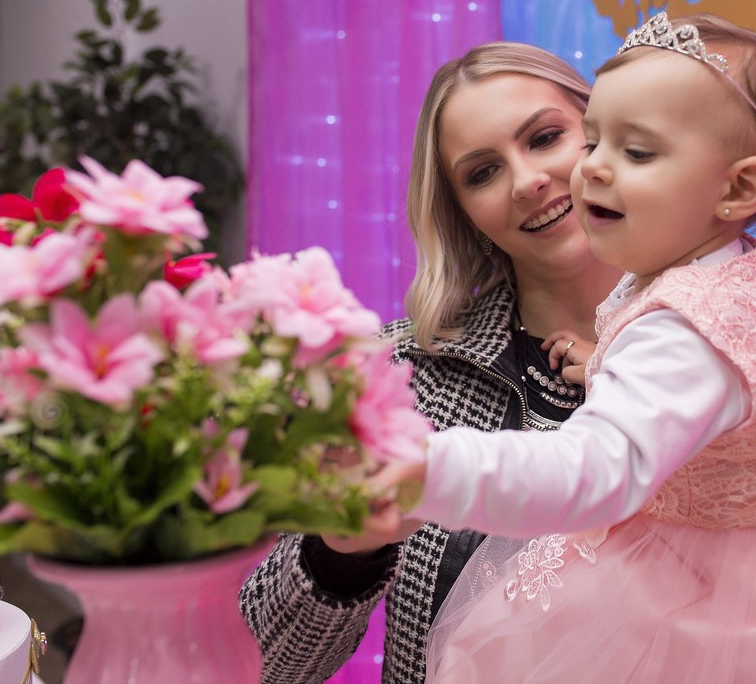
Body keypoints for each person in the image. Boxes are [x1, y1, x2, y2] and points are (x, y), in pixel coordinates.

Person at [374, 13, 756, 683]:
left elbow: (592, 471)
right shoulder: (731, 269)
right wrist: (609, 361)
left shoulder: (683, 331)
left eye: (635, 152)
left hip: (749, 614)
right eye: (596, 141)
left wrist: (428, 467)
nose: (591, 169)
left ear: (737, 188)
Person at [238, 43, 623, 684]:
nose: (526, 180)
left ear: (606, 132)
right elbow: (266, 666)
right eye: (483, 173)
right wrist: (342, 551)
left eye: (545, 137)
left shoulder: (724, 345)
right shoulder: (402, 374)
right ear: (464, 214)